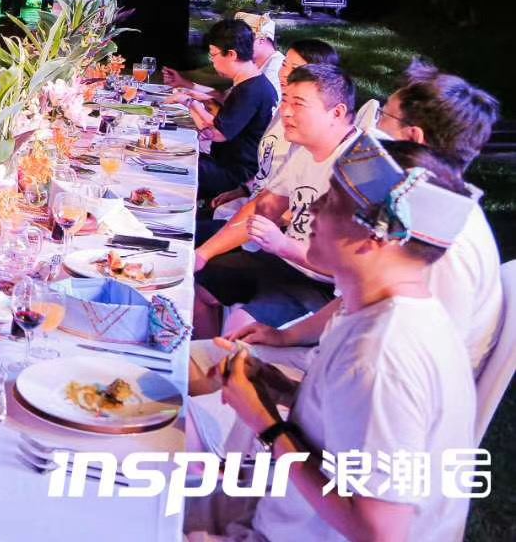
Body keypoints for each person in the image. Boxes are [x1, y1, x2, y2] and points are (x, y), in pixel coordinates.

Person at [189, 137, 478, 542]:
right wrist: (279, 388)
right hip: (271, 511)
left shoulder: (383, 356)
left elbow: (381, 531)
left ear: (378, 236)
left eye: (333, 201)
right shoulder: (375, 312)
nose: (311, 208)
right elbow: (346, 421)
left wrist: (266, 424)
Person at [233, 65, 503, 378]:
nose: (370, 128)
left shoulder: (440, 241)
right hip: (330, 357)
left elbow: (412, 370)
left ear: (412, 138)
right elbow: (352, 298)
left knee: (215, 366)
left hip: (355, 379)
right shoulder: (414, 205)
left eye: (383, 117)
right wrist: (285, 337)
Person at [193, 64, 357, 336]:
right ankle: (201, 355)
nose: (286, 112)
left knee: (242, 328)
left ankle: (227, 358)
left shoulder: (357, 172)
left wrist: (283, 245)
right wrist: (203, 254)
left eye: (299, 104)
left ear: (336, 113)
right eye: (286, 101)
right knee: (193, 280)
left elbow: (349, 268)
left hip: (323, 287)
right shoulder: (305, 148)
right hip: (282, 261)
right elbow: (263, 208)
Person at [207, 38, 340, 220]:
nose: (284, 74)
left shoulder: (310, 131)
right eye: (284, 65)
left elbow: (294, 196)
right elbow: (269, 168)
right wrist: (244, 190)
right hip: (252, 200)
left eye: (296, 69)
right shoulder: (283, 109)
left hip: (267, 218)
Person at [190, 18, 277, 201]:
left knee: (178, 169)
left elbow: (217, 133)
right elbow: (228, 117)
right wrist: (205, 101)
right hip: (226, 164)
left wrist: (190, 103)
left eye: (213, 55)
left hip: (236, 174)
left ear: (231, 54)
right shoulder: (251, 83)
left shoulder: (251, 91)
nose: (213, 62)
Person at [166, 12, 283, 106]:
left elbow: (236, 109)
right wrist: (185, 84)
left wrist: (191, 103)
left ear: (262, 40)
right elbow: (226, 97)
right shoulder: (252, 65)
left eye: (244, 40)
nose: (237, 46)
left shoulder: (276, 69)